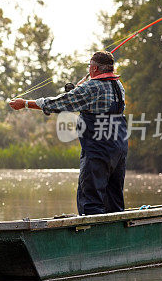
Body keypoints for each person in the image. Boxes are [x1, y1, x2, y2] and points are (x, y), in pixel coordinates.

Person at [9, 51, 128, 215]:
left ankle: (91, 235)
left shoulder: (91, 87)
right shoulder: (118, 86)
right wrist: (78, 92)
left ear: (93, 68)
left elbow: (60, 103)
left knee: (91, 199)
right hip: (119, 148)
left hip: (98, 150)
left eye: (90, 67)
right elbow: (94, 103)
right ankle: (117, 234)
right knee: (114, 198)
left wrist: (26, 104)